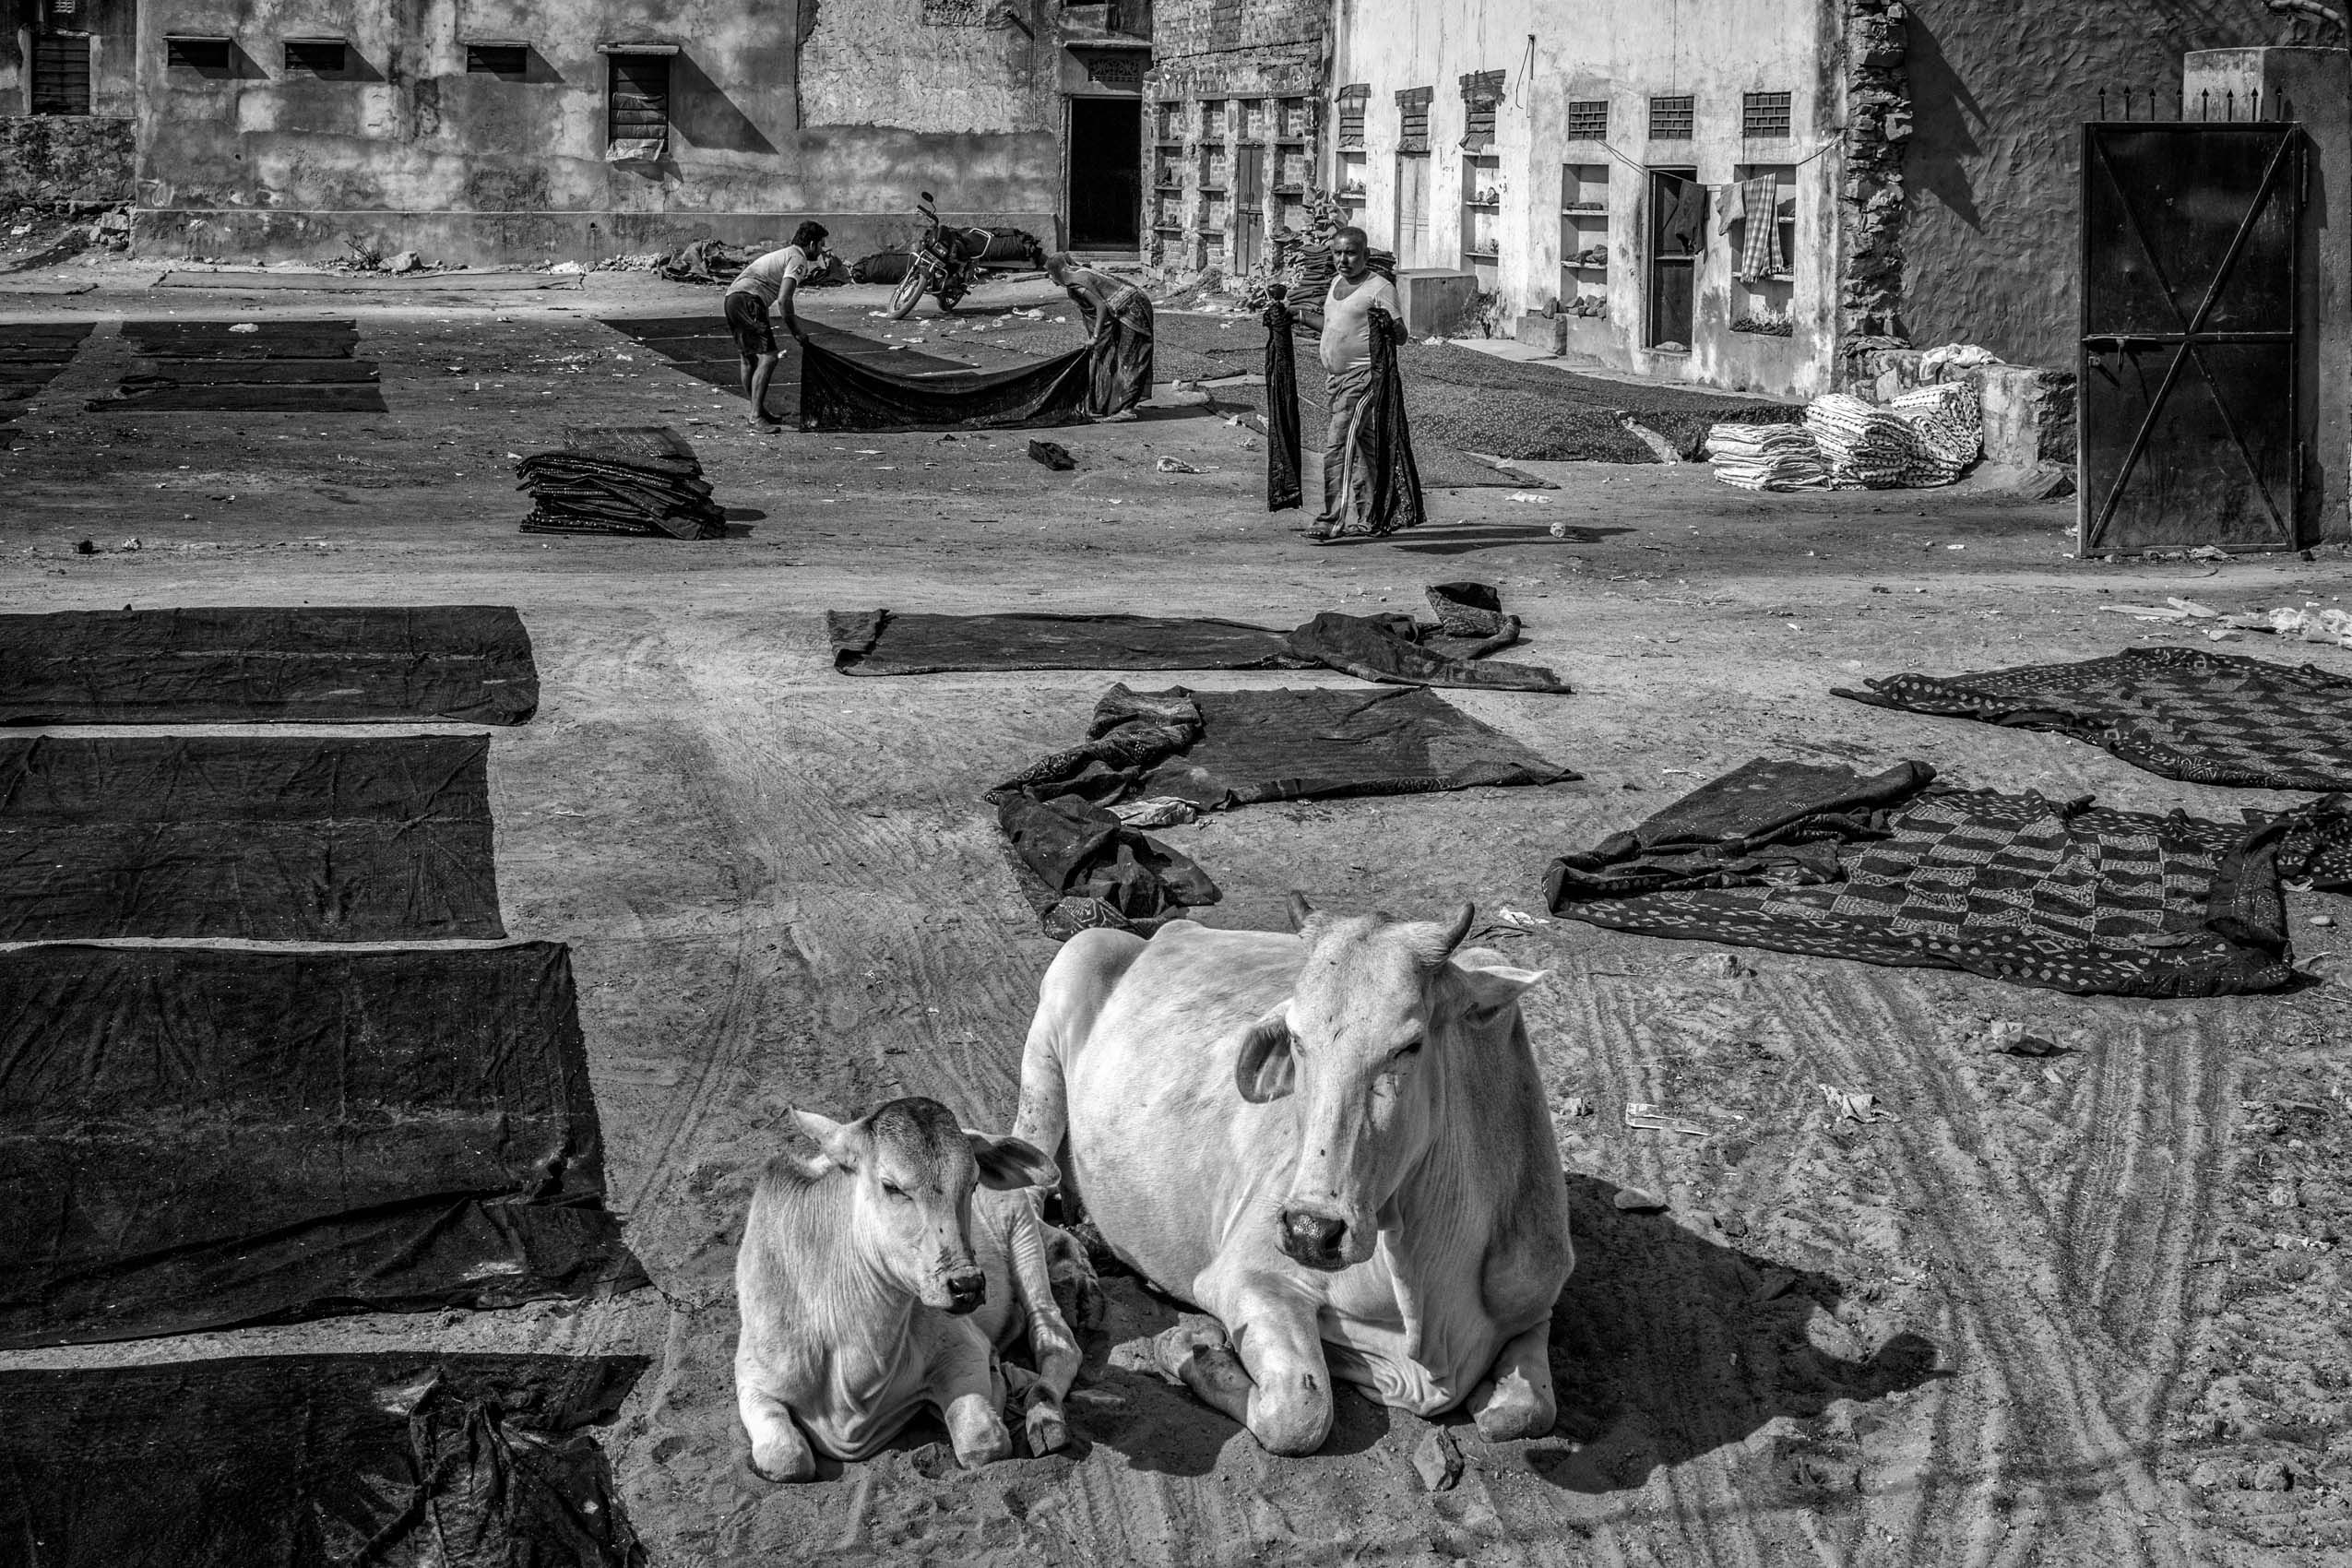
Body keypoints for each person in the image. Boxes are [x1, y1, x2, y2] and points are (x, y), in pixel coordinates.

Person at [1299, 227, 1408, 537]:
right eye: (1338, 253)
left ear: (1366, 255)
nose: (1343, 260)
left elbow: (1401, 336)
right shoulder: (1336, 283)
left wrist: (1389, 325)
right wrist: (1300, 316)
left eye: (1351, 253)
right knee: (1365, 449)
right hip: (1336, 380)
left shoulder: (1379, 288)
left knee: (1338, 444)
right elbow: (1334, 325)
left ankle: (1331, 520)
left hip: (1364, 379)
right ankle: (1377, 516)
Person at [723, 220, 829, 431]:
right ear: (811, 243)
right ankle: (755, 416)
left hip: (732, 298)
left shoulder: (785, 253)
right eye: (821, 245)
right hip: (749, 299)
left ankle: (758, 410)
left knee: (747, 358)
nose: (822, 251)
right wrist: (797, 332)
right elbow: (784, 300)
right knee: (769, 357)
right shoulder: (798, 258)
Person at [1045, 251, 1155, 420]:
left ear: (1059, 272)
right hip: (1128, 307)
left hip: (1133, 311)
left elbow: (1101, 307)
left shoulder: (1076, 282)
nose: (1051, 280)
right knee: (1120, 355)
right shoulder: (1079, 274)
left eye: (1051, 275)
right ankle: (1116, 403)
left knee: (1130, 357)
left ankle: (1126, 409)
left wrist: (1095, 337)